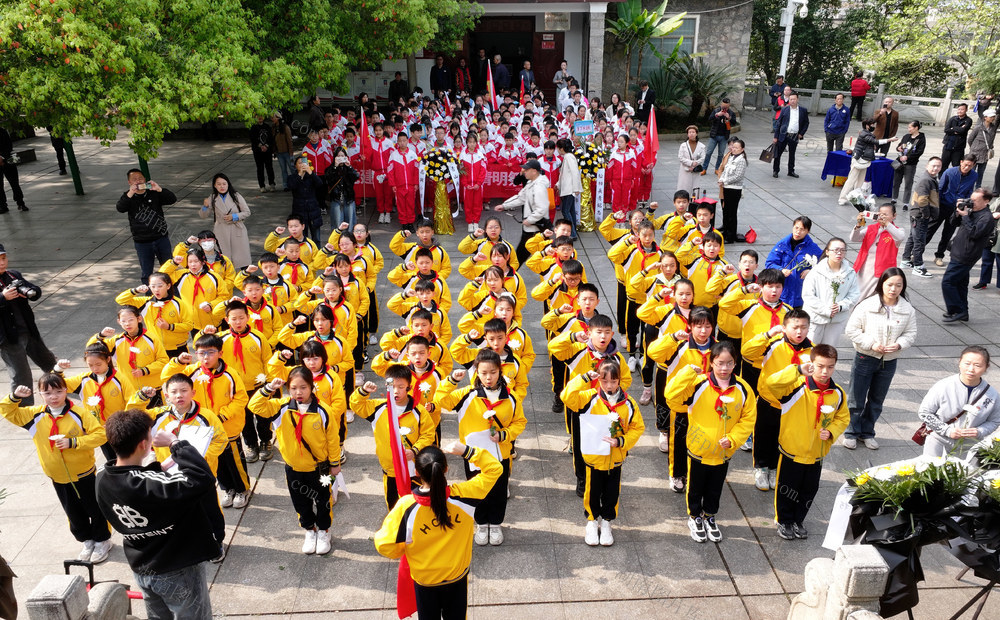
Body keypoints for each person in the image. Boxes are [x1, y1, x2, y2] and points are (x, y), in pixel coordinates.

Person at [96, 409, 219, 619]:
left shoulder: (102, 477)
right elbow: (202, 478)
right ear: (143, 444)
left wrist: (159, 467)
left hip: (143, 566)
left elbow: (137, 482)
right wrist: (175, 443)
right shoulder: (150, 485)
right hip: (176, 567)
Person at [374, 442, 502, 620]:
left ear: (417, 472)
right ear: (446, 469)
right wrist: (467, 451)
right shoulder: (465, 495)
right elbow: (495, 469)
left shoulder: (406, 506)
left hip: (425, 580)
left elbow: (384, 545)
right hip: (456, 577)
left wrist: (405, 550)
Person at [2, 374, 111, 563]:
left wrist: (74, 442)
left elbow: (101, 435)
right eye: (47, 393)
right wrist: (14, 397)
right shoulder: (34, 415)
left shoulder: (80, 413)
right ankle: (86, 540)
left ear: (66, 390)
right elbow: (7, 411)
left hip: (84, 473)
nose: (53, 396)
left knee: (94, 507)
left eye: (59, 391)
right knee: (73, 512)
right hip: (57, 476)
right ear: (40, 394)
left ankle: (102, 541)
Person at [665, 342, 756, 543]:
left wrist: (733, 439)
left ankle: (710, 516)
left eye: (729, 363)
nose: (724, 368)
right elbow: (671, 397)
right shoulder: (698, 383)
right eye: (720, 363)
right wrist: (687, 373)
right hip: (699, 449)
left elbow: (748, 418)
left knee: (715, 488)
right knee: (695, 487)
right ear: (712, 362)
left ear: (735, 363)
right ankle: (695, 517)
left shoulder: (742, 388)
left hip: (723, 452)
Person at [249, 370, 341, 554]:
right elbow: (255, 406)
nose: (298, 392)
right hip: (294, 468)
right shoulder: (281, 407)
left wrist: (335, 463)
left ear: (312, 386)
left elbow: (332, 438)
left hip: (319, 468)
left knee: (323, 501)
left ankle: (324, 531)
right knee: (300, 502)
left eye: (303, 387)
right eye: (293, 388)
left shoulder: (323, 410)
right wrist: (269, 388)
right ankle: (310, 530)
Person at [765, 344, 849, 541]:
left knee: (809, 489)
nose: (825, 371)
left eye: (830, 367)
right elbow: (771, 383)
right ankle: (784, 520)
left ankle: (798, 519)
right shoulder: (796, 386)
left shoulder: (837, 393)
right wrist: (796, 370)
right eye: (820, 366)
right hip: (792, 449)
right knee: (787, 488)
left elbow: (843, 417)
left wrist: (831, 431)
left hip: (816, 453)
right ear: (811, 363)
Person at [561, 359, 644, 546]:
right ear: (598, 379)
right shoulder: (589, 397)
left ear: (619, 380)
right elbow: (566, 396)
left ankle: (606, 522)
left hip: (616, 459)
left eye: (613, 381)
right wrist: (583, 378)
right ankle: (591, 521)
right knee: (592, 493)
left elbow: (637, 428)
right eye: (604, 381)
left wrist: (622, 442)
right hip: (594, 458)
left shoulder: (628, 403)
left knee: (612, 493)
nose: (609, 386)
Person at [843, 268, 917, 450]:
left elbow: (911, 333)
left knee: (877, 400)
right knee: (856, 398)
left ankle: (867, 432)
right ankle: (851, 432)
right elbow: (851, 330)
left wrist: (899, 344)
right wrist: (871, 344)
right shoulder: (867, 305)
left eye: (898, 285)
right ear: (881, 284)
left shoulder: (907, 309)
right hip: (865, 357)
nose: (893, 289)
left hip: (889, 360)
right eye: (889, 284)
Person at [0, 244, 57, 407]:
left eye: (4, 258)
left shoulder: (13, 275)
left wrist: (31, 291)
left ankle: (60, 388)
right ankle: (24, 409)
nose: (2, 263)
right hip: (8, 338)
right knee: (21, 375)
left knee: (48, 361)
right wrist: (3, 297)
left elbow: (35, 291)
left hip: (28, 330)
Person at [918, 346, 1000, 457]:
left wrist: (980, 431)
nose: (971, 369)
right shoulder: (943, 386)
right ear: (959, 363)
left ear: (986, 367)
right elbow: (924, 412)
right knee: (931, 467)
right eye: (967, 363)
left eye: (977, 365)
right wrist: (947, 430)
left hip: (969, 446)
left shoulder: (992, 395)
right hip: (938, 441)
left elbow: (995, 421)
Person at [941, 187, 1000, 322]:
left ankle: (956, 310)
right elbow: (953, 222)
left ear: (986, 201)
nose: (971, 202)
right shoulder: (971, 210)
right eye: (971, 199)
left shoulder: (986, 218)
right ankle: (963, 312)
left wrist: (966, 216)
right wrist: (958, 212)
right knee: (960, 283)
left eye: (975, 200)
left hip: (966, 255)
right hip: (959, 251)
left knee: (948, 282)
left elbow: (974, 233)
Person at [116, 168, 178, 284]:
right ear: (129, 182)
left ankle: (172, 291)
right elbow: (120, 208)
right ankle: (148, 293)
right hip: (142, 241)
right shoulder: (128, 196)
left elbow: (172, 199)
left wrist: (159, 189)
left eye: (140, 178)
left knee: (168, 268)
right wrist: (130, 193)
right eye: (134, 179)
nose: (138, 181)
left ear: (145, 179)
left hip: (161, 238)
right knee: (146, 272)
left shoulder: (153, 193)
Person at [801, 238, 860, 345]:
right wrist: (826, 310)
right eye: (836, 250)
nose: (839, 253)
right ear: (827, 252)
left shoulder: (850, 273)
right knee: (810, 349)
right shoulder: (816, 272)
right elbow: (808, 295)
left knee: (829, 350)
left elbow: (854, 294)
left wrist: (841, 306)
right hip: (816, 318)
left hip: (837, 320)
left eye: (842, 250)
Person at [496, 159, 550, 266]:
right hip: (535, 227)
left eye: (526, 169)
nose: (524, 171)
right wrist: (504, 205)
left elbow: (542, 208)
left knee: (522, 255)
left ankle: (509, 272)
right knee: (543, 255)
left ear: (534, 171)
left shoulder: (538, 187)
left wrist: (529, 220)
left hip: (535, 228)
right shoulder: (532, 184)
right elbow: (520, 198)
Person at [927, 156, 977, 267]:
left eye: (970, 166)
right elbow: (940, 189)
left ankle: (939, 255)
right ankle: (917, 252)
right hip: (943, 206)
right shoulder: (950, 172)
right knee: (930, 230)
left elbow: (970, 191)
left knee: (947, 234)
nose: (966, 167)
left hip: (956, 209)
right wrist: (935, 206)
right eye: (965, 164)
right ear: (961, 162)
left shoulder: (974, 175)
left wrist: (964, 202)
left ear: (973, 165)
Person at [837, 118, 898, 206]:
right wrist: (889, 140)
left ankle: (856, 199)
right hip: (858, 159)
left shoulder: (868, 134)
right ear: (867, 126)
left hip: (865, 160)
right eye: (872, 125)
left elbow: (871, 143)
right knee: (851, 180)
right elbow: (875, 141)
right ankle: (842, 198)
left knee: (860, 181)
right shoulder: (864, 134)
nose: (874, 126)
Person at [765, 216, 823, 308]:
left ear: (808, 231)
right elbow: (769, 263)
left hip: (800, 295)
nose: (798, 232)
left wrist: (811, 271)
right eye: (796, 228)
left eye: (802, 229)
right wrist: (781, 270)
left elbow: (824, 264)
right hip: (782, 294)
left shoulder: (812, 248)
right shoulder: (782, 244)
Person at [851, 204, 907, 298]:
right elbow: (854, 238)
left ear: (894, 216)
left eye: (885, 215)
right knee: (860, 294)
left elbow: (900, 237)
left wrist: (887, 224)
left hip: (883, 270)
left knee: (878, 296)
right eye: (880, 214)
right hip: (865, 268)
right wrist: (858, 225)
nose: (882, 217)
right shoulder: (871, 228)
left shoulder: (897, 230)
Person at [199, 173, 251, 269]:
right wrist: (205, 206)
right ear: (215, 185)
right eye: (219, 184)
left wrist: (234, 216)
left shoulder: (236, 196)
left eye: (224, 184)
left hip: (237, 229)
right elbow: (203, 215)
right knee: (224, 260)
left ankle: (244, 277)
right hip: (221, 230)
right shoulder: (213, 198)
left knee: (242, 259)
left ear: (228, 184)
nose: (222, 186)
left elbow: (247, 212)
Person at [901, 157, 942, 279]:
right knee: (919, 241)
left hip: (916, 214)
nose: (935, 168)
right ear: (927, 166)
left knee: (913, 238)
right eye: (933, 165)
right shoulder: (926, 180)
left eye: (938, 166)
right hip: (920, 215)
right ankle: (918, 266)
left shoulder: (930, 178)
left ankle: (906, 260)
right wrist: (926, 214)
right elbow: (922, 200)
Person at [718, 138, 748, 244]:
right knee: (726, 212)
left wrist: (724, 181)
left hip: (734, 189)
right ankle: (725, 232)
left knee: (732, 213)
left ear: (742, 149)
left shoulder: (741, 160)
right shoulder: (731, 157)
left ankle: (730, 236)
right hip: (726, 187)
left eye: (737, 148)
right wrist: (721, 179)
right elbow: (725, 170)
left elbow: (738, 176)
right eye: (733, 147)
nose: (734, 149)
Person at [772, 93, 808, 178]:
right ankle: (776, 170)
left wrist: (801, 133)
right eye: (791, 99)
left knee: (792, 154)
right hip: (783, 134)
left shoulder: (803, 110)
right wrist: (776, 137)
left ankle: (791, 171)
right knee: (778, 154)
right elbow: (779, 123)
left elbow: (806, 123)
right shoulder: (785, 109)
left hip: (794, 135)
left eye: (794, 99)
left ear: (797, 99)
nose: (792, 101)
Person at [891, 121, 926, 210]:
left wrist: (908, 157)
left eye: (910, 127)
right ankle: (894, 198)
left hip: (910, 164)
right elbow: (900, 145)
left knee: (908, 183)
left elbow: (919, 152)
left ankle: (906, 202)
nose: (908, 129)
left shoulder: (921, 139)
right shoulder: (906, 136)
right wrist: (898, 148)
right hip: (900, 162)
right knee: (896, 181)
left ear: (916, 128)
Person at [325, 147, 360, 230]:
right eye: (338, 156)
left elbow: (356, 177)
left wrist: (349, 167)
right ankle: (338, 238)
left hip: (348, 198)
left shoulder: (348, 168)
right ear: (335, 157)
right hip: (336, 198)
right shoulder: (330, 168)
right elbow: (328, 180)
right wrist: (335, 167)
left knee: (350, 222)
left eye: (342, 156)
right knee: (337, 223)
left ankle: (350, 237)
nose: (340, 158)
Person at [556, 138, 582, 240]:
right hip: (569, 188)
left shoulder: (568, 157)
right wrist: (558, 184)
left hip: (569, 189)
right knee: (570, 211)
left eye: (558, 148)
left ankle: (572, 233)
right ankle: (573, 230)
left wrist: (576, 188)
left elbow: (575, 173)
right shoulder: (568, 156)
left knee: (565, 211)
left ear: (561, 148)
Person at [974, 195, 1000, 290]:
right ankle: (983, 281)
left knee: (999, 260)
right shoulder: (997, 200)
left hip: (998, 236)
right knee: (986, 259)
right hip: (990, 233)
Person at [0, 126, 27, 212]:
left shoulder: (2, 131)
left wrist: (1, 157)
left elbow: (9, 146)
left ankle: (21, 203)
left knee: (14, 183)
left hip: (8, 159)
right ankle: (2, 205)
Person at [967, 109, 997, 188]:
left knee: (981, 172)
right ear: (985, 117)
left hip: (985, 154)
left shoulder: (993, 128)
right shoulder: (978, 127)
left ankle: (978, 186)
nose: (992, 118)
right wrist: (974, 147)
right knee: (972, 171)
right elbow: (970, 139)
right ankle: (969, 186)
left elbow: (992, 140)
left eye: (993, 117)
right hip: (975, 153)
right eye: (991, 117)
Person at [703, 98, 733, 174]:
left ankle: (717, 169)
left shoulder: (731, 112)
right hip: (714, 136)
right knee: (708, 152)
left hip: (724, 136)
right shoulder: (716, 111)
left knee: (721, 154)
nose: (725, 107)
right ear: (721, 104)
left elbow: (734, 123)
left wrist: (729, 118)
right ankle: (704, 168)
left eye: (726, 106)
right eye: (723, 105)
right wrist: (717, 115)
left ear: (729, 105)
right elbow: (709, 119)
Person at [941, 103, 974, 169]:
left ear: (966, 110)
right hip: (948, 145)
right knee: (943, 165)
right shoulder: (952, 119)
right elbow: (946, 130)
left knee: (957, 166)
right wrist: (958, 129)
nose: (960, 111)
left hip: (959, 147)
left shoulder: (968, 120)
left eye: (962, 109)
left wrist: (952, 128)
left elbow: (962, 131)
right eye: (959, 109)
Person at [249, 116, 276, 193]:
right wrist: (260, 146)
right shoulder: (253, 127)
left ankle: (272, 183)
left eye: (261, 116)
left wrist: (266, 146)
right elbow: (252, 139)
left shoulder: (267, 126)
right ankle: (262, 186)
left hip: (267, 151)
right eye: (258, 116)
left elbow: (270, 138)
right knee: (260, 168)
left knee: (269, 167)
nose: (260, 118)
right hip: (257, 151)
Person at [677, 125, 706, 194]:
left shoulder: (702, 146)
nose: (691, 134)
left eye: (693, 132)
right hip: (685, 169)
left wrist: (696, 163)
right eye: (689, 132)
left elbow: (702, 157)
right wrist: (691, 163)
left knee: (695, 188)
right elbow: (680, 157)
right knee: (684, 187)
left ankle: (694, 199)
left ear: (696, 133)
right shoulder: (683, 145)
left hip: (695, 170)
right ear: (687, 134)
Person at [272, 113, 295, 191]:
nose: (272, 119)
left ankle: (296, 183)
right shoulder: (273, 128)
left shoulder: (285, 127)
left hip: (287, 152)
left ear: (278, 118)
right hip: (279, 153)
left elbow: (289, 140)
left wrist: (291, 151)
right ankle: (285, 185)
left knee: (292, 168)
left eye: (274, 117)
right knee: (283, 170)